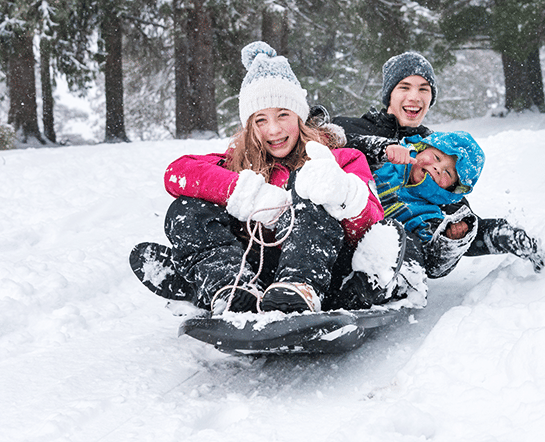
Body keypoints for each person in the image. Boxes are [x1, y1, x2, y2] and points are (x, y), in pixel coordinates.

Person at [129, 41, 383, 315]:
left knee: (307, 197)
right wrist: (247, 193)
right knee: (187, 209)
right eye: (260, 120)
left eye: (283, 115)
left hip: (321, 270)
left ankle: (297, 288)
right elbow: (176, 173)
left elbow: (373, 225)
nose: (273, 130)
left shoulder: (341, 158)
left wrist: (343, 194)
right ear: (249, 126)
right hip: (256, 271)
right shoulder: (236, 161)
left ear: (299, 117)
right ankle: (228, 287)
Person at [327, 51, 545, 308]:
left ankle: (381, 289)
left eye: (424, 89)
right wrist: (381, 149)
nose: (414, 96)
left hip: (388, 254)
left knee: (404, 240)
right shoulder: (353, 129)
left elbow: (459, 220)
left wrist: (498, 235)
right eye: (404, 87)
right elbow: (317, 142)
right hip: (337, 234)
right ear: (389, 94)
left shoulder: (437, 150)